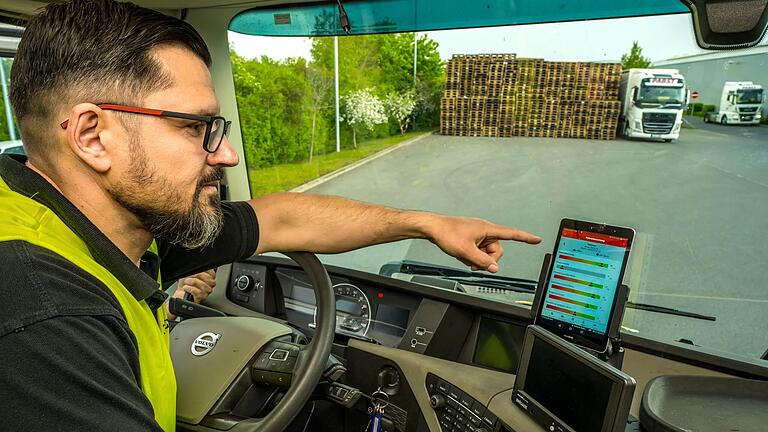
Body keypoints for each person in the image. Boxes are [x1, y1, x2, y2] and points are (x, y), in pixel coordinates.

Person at [0, 0, 541, 430]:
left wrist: (425, 223)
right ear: (94, 136)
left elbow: (279, 219)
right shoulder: (45, 313)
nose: (226, 155)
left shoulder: (111, 220)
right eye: (195, 128)